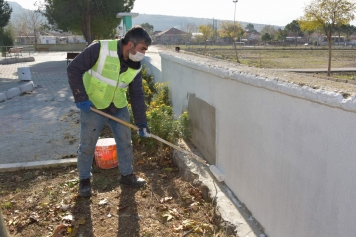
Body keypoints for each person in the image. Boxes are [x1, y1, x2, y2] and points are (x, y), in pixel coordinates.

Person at [67, 26, 151, 197]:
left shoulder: (135, 65)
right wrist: (80, 97)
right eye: (142, 48)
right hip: (93, 106)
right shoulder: (100, 49)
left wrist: (141, 122)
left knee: (125, 142)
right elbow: (73, 69)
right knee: (87, 145)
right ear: (130, 44)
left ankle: (127, 175)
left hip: (118, 106)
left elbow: (136, 94)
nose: (143, 53)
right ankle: (84, 181)